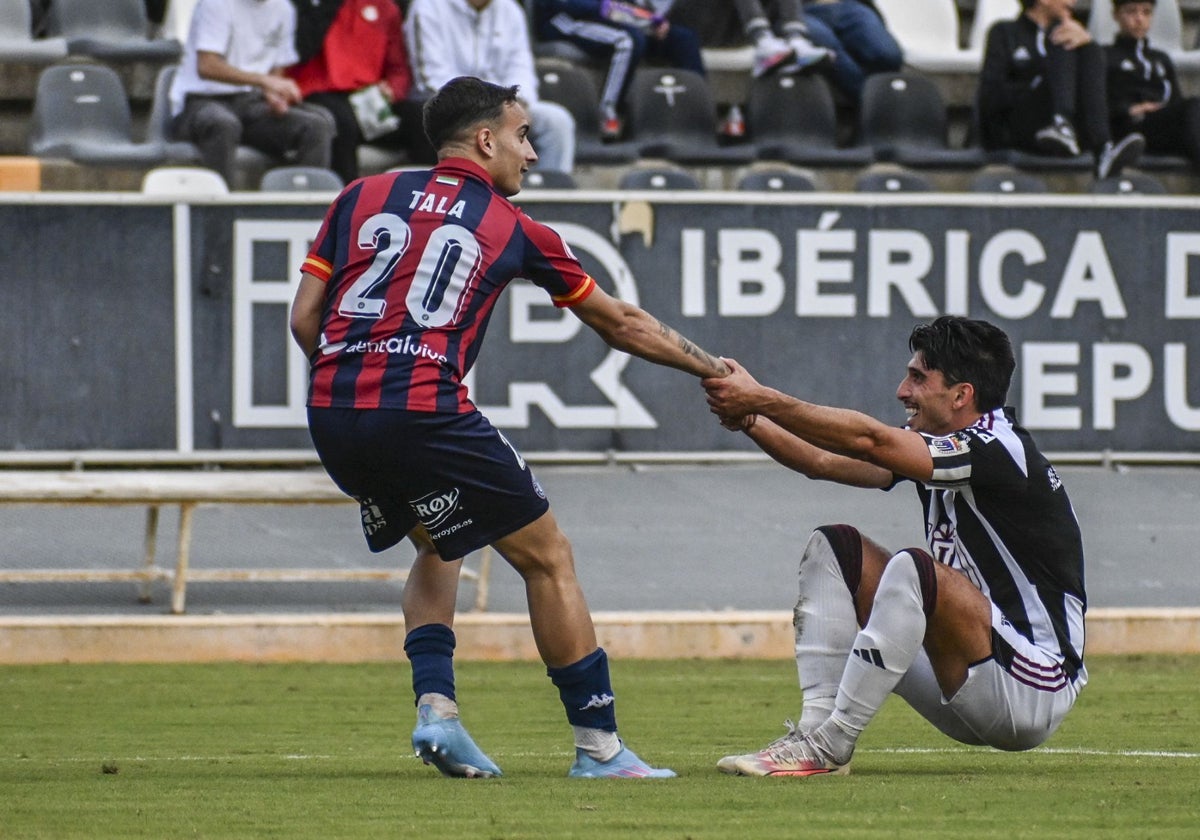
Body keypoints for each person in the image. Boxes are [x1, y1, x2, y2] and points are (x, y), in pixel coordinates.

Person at [289, 75, 730, 779]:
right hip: (423, 408)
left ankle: (438, 712)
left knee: (441, 542)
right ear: (487, 139)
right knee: (548, 556)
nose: (531, 154)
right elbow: (619, 322)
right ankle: (600, 749)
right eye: (524, 137)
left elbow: (303, 319)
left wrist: (358, 380)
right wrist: (714, 369)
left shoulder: (357, 196)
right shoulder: (516, 227)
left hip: (332, 410)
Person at [701, 316, 1086, 776]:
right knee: (835, 549)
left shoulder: (997, 447)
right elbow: (821, 461)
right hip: (967, 677)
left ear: (962, 395)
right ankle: (814, 734)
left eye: (919, 378)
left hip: (1032, 686)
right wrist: (750, 419)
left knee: (914, 569)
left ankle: (832, 744)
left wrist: (762, 397)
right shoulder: (941, 444)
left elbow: (870, 439)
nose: (902, 390)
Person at [168, 0, 336, 187]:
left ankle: (304, 211)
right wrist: (263, 81)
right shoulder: (216, 4)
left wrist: (275, 95)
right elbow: (207, 65)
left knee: (315, 126)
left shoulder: (283, 8)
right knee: (223, 124)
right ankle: (218, 213)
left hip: (252, 104)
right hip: (201, 100)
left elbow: (276, 68)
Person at [977, 0, 1144, 180]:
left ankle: (1102, 146)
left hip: (1069, 132)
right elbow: (989, 97)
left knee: (1090, 48)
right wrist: (1040, 80)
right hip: (1018, 124)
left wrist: (1089, 45)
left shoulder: (1073, 36)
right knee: (1064, 42)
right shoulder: (1004, 32)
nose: (1074, 2)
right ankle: (1062, 122)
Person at [405, 0, 576, 173]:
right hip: (451, 107)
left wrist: (519, 104)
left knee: (557, 122)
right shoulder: (427, 6)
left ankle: (545, 194)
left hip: (505, 105)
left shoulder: (510, 9)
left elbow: (521, 68)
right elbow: (431, 76)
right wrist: (489, 108)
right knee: (478, 127)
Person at [286, 0, 422, 185]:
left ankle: (428, 199)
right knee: (343, 122)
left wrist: (392, 89)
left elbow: (398, 69)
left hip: (369, 100)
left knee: (420, 117)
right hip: (321, 92)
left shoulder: (385, 7)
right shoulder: (307, 6)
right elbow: (297, 54)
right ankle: (347, 203)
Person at [531, 0, 708, 141]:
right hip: (564, 17)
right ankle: (607, 113)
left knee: (684, 39)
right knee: (626, 41)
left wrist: (650, 20)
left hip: (612, 16)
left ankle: (701, 115)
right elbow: (576, 5)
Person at [1105, 0, 1200, 169]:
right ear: (1116, 15)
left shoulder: (1160, 59)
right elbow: (1097, 102)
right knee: (1194, 106)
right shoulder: (1104, 55)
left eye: (1146, 12)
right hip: (1131, 126)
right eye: (1131, 11)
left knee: (1194, 108)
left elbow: (1176, 101)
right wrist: (1129, 109)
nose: (1139, 19)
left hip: (1161, 124)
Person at [799, 0, 902, 102]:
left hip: (848, 5)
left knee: (887, 54)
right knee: (830, 50)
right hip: (800, 11)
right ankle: (873, 103)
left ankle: (877, 100)